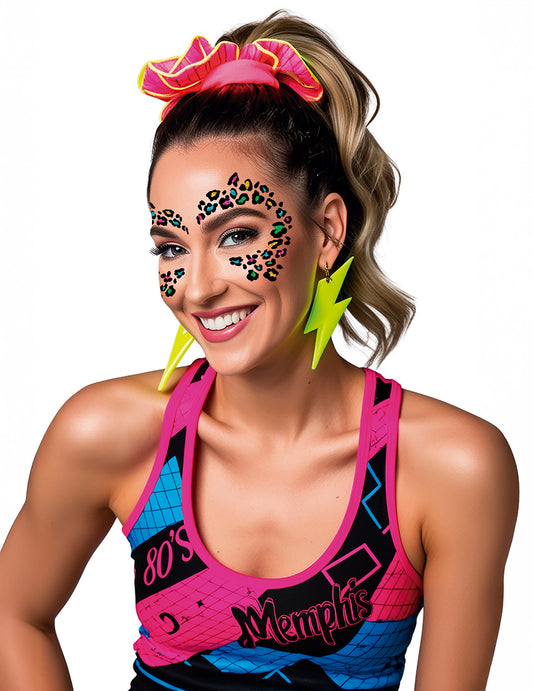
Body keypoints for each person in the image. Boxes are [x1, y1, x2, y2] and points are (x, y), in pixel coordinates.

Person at [0, 10, 519, 691]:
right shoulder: (108, 432)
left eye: (237, 235)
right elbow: (13, 613)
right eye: (170, 246)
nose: (197, 286)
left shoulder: (452, 468)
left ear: (326, 231)